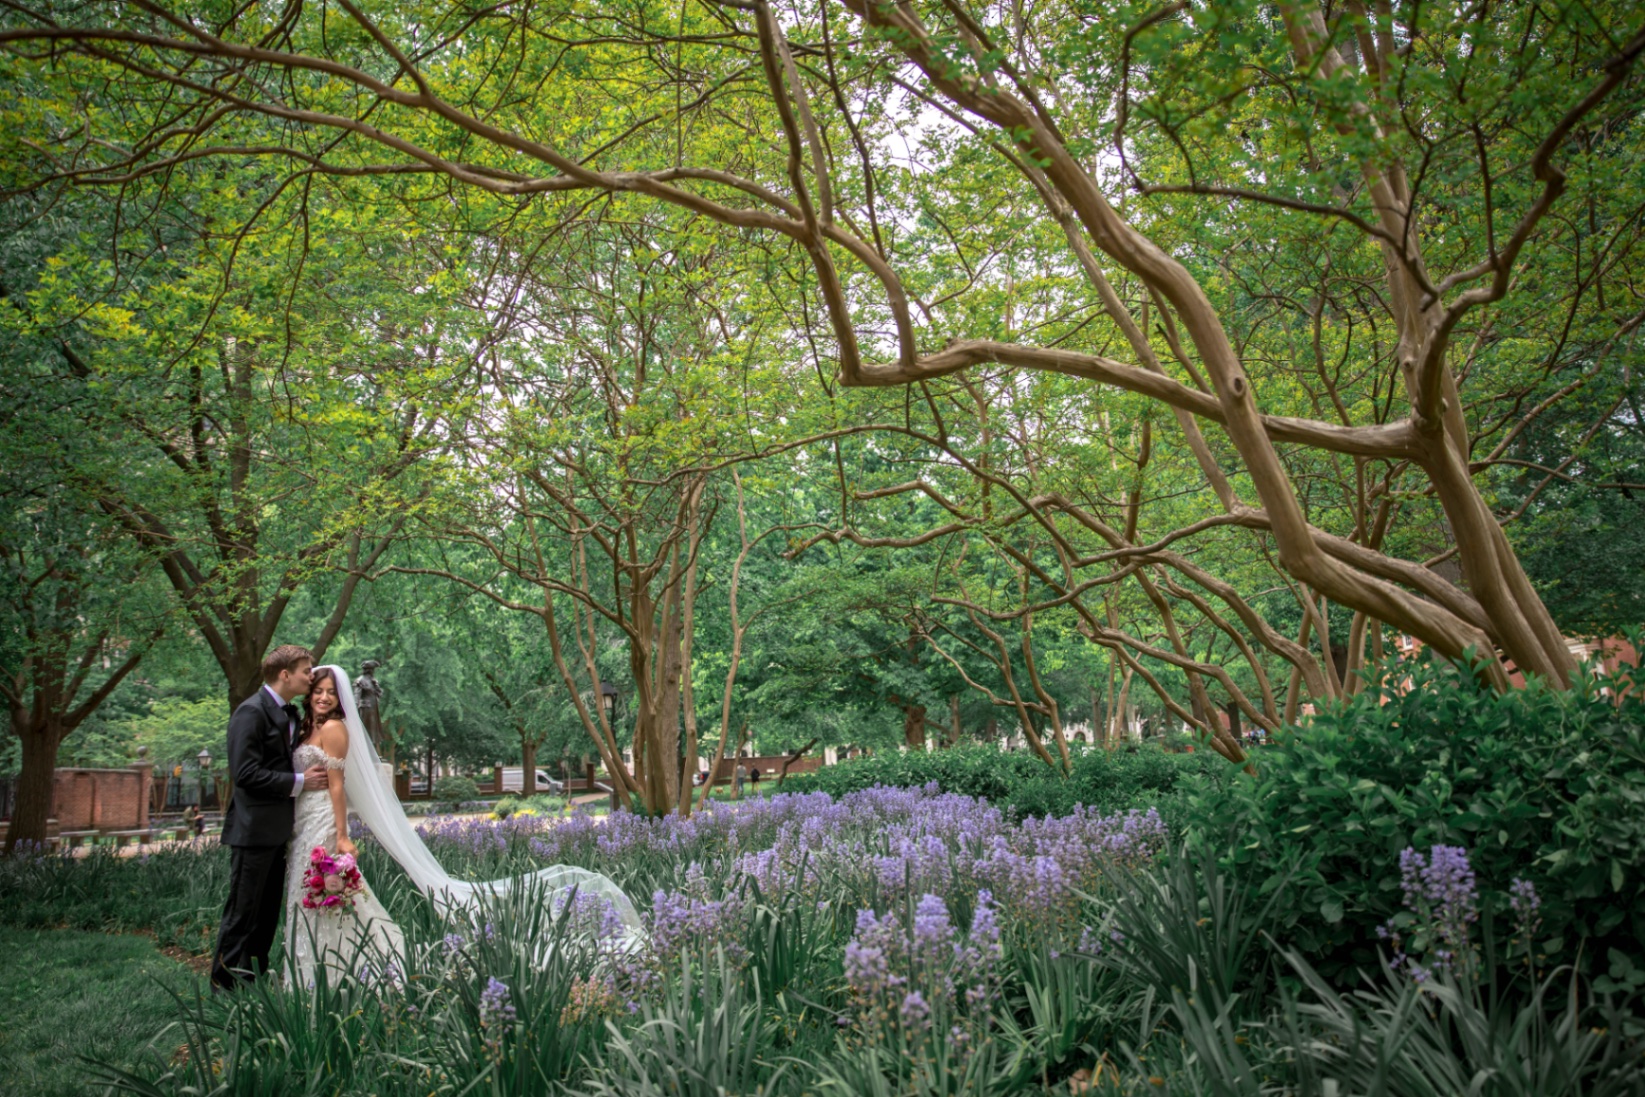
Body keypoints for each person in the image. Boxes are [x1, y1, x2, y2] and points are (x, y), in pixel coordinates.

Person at [210, 645, 331, 992]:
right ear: (285, 674)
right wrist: (300, 782)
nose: (311, 677)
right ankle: (224, 985)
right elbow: (245, 773)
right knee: (243, 911)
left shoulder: (290, 713)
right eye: (306, 671)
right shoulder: (251, 712)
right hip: (252, 832)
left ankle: (253, 979)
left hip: (279, 832)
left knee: (265, 914)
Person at [283, 667, 404, 987]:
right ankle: (307, 972)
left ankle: (338, 972)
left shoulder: (334, 728)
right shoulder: (306, 728)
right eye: (318, 691)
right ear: (309, 693)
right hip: (301, 819)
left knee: (324, 893)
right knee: (301, 892)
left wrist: (341, 835)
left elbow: (337, 785)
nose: (324, 697)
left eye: (331, 692)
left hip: (322, 819)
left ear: (340, 698)